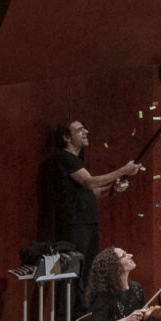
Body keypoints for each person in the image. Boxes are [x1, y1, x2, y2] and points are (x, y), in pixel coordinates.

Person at [37, 119, 140, 282]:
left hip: (86, 223)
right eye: (79, 130)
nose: (86, 132)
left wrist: (113, 186)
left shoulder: (76, 161)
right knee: (74, 273)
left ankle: (83, 300)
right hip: (74, 225)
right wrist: (123, 171)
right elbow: (90, 182)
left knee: (87, 271)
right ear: (66, 138)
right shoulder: (64, 157)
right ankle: (71, 300)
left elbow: (91, 192)